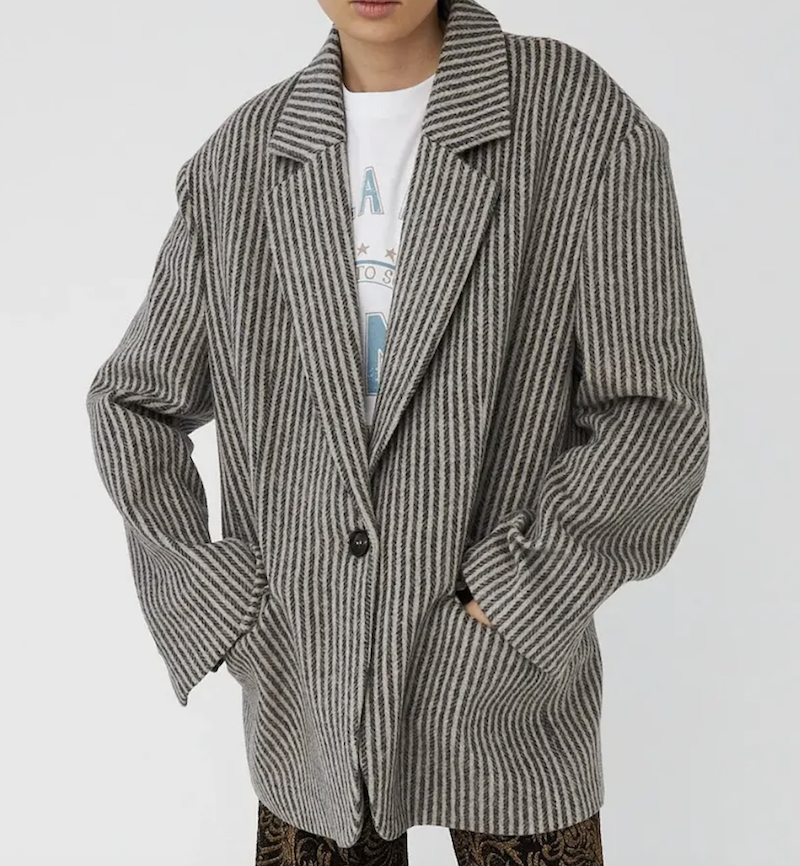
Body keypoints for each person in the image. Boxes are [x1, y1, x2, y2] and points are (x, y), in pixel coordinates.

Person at [85, 0, 710, 863]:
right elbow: (132, 403)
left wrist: (520, 595)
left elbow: (655, 413)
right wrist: (225, 601)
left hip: (502, 695)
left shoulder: (576, 120)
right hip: (311, 692)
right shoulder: (241, 161)